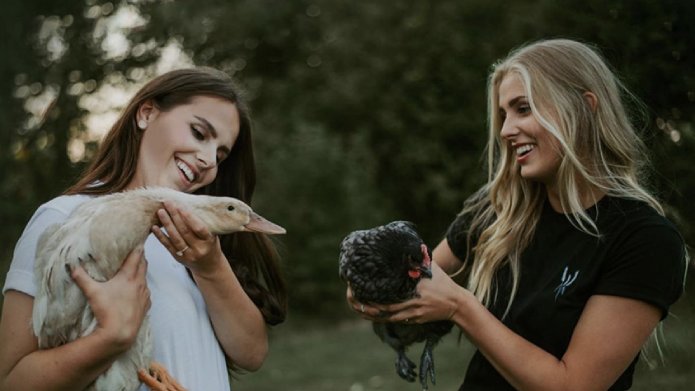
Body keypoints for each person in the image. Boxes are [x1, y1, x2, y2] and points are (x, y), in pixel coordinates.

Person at [349, 39, 688, 390]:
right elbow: (419, 279)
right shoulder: (497, 211)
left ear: (586, 108)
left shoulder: (644, 239)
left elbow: (573, 386)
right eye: (503, 114)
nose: (506, 129)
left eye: (523, 108)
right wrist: (373, 291)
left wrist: (460, 308)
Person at [0, 67, 287, 390]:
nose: (209, 160)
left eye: (220, 154)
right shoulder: (63, 219)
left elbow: (252, 353)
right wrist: (111, 338)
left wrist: (210, 268)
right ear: (146, 113)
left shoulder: (198, 243)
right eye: (199, 133)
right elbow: (11, 382)